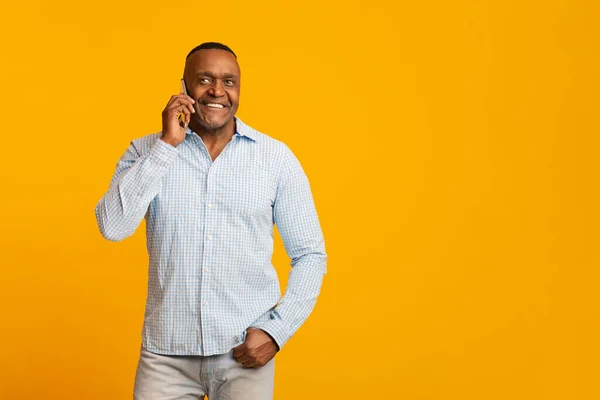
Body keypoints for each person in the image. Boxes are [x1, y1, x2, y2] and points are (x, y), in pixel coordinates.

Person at [94, 42, 327, 400]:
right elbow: (113, 227)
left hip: (244, 357)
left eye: (229, 81)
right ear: (184, 87)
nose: (218, 91)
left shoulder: (275, 159)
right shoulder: (144, 152)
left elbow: (310, 254)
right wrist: (167, 145)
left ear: (239, 89)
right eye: (205, 79)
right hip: (165, 357)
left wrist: (277, 331)